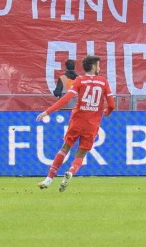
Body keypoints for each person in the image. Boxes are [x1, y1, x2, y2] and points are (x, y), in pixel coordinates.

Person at [35, 55, 114, 192]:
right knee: (81, 154)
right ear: (93, 67)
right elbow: (111, 104)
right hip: (92, 124)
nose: (100, 68)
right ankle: (71, 171)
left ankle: (48, 179)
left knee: (65, 148)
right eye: (98, 65)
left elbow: (66, 98)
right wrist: (108, 111)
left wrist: (47, 112)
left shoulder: (80, 80)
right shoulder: (104, 82)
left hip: (77, 121)